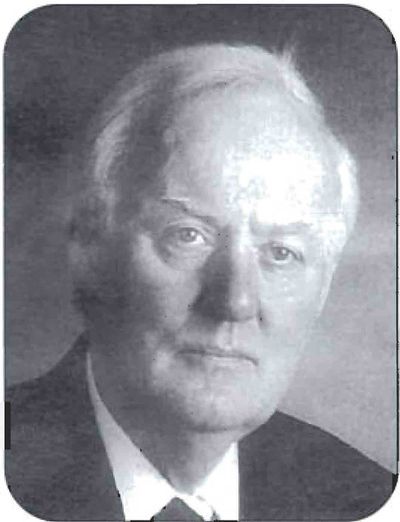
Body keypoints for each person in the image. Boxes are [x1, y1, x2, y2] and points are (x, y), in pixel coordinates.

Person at [6, 44, 395, 521]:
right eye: (187, 235)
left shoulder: (364, 500)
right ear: (91, 246)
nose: (236, 300)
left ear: (324, 287)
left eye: (281, 253)